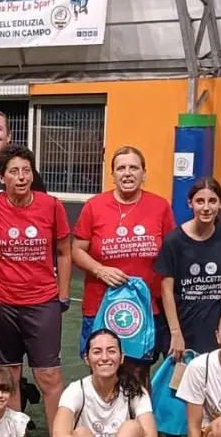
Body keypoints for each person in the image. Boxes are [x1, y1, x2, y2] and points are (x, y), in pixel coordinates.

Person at [0, 144, 72, 436]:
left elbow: (64, 251)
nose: (21, 177)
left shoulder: (51, 205)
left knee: (49, 376)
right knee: (9, 375)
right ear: (2, 177)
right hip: (0, 303)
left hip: (42, 302)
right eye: (14, 171)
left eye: (26, 170)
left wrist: (63, 294)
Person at [153, 177, 221, 437]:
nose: (206, 207)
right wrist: (175, 333)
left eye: (212, 201)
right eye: (199, 201)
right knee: (178, 390)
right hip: (181, 329)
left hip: (212, 327)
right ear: (190, 204)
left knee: (213, 387)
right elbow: (166, 289)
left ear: (220, 204)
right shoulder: (175, 240)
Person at [71, 146, 177, 370]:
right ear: (112, 175)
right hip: (101, 304)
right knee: (102, 369)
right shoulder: (94, 206)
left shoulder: (160, 207)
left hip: (146, 307)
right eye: (121, 168)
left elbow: (171, 254)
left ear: (143, 173)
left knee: (139, 371)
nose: (127, 173)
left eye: (133, 168)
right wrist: (100, 269)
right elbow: (77, 250)